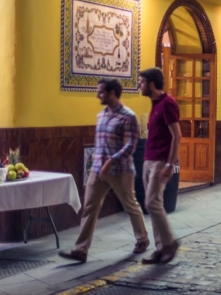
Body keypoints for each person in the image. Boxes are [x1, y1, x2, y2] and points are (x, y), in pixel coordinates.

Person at [59, 79, 149, 263]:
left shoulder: (128, 116)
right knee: (89, 208)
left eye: (100, 92)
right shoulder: (101, 115)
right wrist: (97, 164)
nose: (97, 95)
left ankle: (143, 239)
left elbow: (131, 146)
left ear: (112, 93)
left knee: (130, 205)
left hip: (121, 171)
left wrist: (112, 161)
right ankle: (80, 250)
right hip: (98, 170)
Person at [139, 68, 181, 264]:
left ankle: (168, 243)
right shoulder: (155, 104)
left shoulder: (167, 104)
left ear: (152, 84)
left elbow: (177, 136)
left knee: (152, 203)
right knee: (153, 204)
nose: (139, 85)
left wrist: (170, 163)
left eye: (141, 82)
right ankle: (161, 248)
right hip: (149, 159)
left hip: (160, 161)